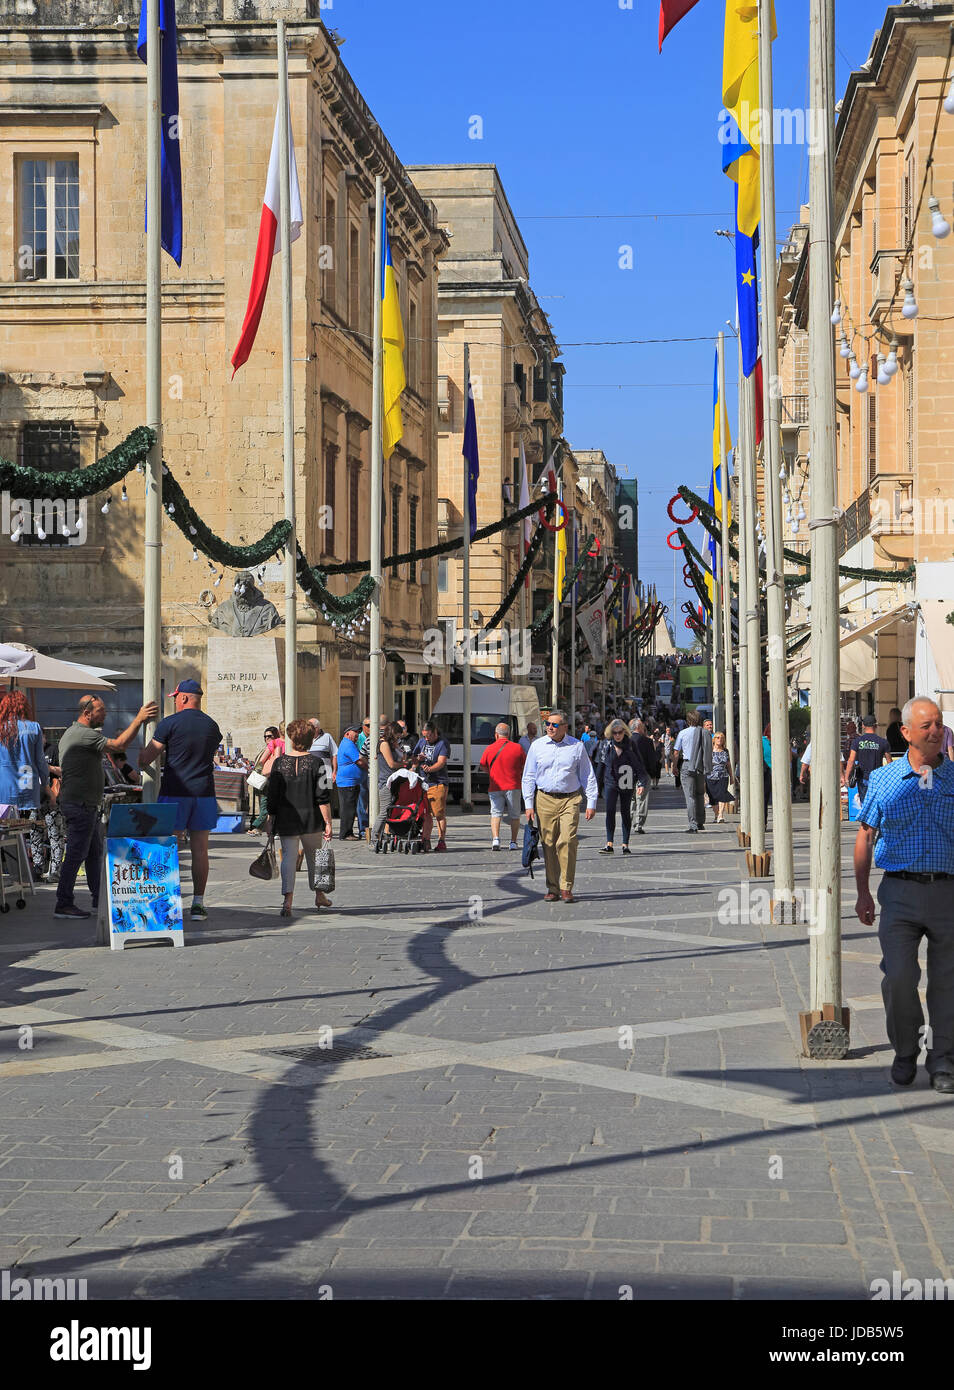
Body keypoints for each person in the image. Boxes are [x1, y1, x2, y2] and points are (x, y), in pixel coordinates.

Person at [854, 698, 954, 1094]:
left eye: (939, 724)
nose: (935, 731)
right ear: (907, 733)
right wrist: (862, 894)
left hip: (948, 891)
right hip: (898, 892)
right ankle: (905, 1051)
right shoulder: (885, 780)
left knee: (947, 981)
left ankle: (944, 1058)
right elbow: (865, 836)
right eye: (926, 725)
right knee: (898, 977)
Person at [55, 693, 157, 920]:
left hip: (86, 804)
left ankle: (98, 899)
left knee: (93, 853)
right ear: (87, 713)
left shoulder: (77, 733)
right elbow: (119, 745)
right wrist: (139, 719)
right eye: (101, 711)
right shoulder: (83, 734)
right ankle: (63, 902)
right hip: (80, 805)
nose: (106, 714)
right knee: (76, 854)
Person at [138, 680, 220, 921]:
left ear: (184, 698)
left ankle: (165, 901)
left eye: (175, 697)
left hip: (175, 792)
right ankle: (198, 903)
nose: (174, 700)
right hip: (204, 793)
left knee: (166, 848)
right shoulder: (212, 726)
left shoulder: (169, 723)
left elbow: (147, 756)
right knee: (201, 851)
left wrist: (141, 758)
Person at [521, 710, 598, 903]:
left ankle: (566, 886)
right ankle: (552, 888)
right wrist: (528, 804)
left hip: (570, 799)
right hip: (544, 799)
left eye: (554, 725)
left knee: (568, 840)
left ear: (564, 727)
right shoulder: (537, 746)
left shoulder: (576, 746)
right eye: (547, 723)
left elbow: (587, 775)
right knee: (548, 844)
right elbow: (528, 776)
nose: (549, 727)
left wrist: (592, 802)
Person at [264, 717, 333, 918]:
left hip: (286, 818)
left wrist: (270, 820)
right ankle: (319, 895)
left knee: (288, 858)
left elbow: (273, 796)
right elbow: (323, 796)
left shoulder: (279, 762)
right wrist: (328, 822)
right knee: (316, 858)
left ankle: (287, 901)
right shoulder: (316, 762)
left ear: (292, 739)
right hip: (311, 818)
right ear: (311, 739)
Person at [599, 719, 647, 855]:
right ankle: (609, 844)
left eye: (620, 732)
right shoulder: (606, 745)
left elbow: (639, 764)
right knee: (610, 811)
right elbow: (601, 766)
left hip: (626, 781)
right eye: (615, 733)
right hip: (610, 782)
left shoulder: (631, 744)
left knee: (626, 812)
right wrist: (596, 787)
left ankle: (625, 844)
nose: (617, 735)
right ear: (611, 733)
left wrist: (642, 782)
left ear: (625, 732)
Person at [479, 722, 526, 850]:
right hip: (513, 785)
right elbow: (524, 764)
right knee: (515, 815)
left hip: (495, 786)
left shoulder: (489, 748)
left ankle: (496, 840)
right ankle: (513, 842)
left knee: (495, 813)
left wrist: (491, 772)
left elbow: (482, 765)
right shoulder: (517, 748)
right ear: (509, 734)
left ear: (496, 735)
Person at [411, 720, 451, 851]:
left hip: (438, 782)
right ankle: (426, 839)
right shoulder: (422, 741)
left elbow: (441, 762)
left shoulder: (442, 743)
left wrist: (430, 769)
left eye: (429, 736)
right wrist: (418, 759)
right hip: (424, 783)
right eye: (424, 736)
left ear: (435, 732)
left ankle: (441, 840)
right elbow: (414, 758)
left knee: (439, 813)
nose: (426, 739)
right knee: (426, 813)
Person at [674, 711, 712, 834]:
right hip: (701, 765)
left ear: (687, 720)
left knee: (690, 796)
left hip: (687, 765)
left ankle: (693, 824)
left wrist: (674, 766)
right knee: (700, 794)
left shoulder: (683, 733)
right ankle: (701, 822)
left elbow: (676, 752)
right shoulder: (704, 732)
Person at [371, 721, 407, 845]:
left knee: (393, 810)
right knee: (385, 811)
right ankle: (374, 838)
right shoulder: (384, 743)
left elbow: (401, 758)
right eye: (397, 735)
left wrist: (401, 752)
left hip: (396, 781)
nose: (399, 738)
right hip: (386, 782)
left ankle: (388, 835)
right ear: (392, 733)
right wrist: (404, 765)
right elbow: (391, 764)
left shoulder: (393, 744)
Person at [845, 714, 891, 807]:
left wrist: (846, 777)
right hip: (878, 779)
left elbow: (851, 760)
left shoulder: (857, 741)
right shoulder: (883, 742)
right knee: (876, 805)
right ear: (876, 726)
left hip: (862, 778)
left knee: (865, 806)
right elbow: (889, 762)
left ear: (863, 726)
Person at [307, 718, 337, 840]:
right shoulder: (305, 738)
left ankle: (326, 826)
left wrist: (335, 771)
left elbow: (334, 753)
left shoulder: (327, 737)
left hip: (325, 774)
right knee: (311, 800)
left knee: (325, 800)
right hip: (310, 775)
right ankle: (315, 826)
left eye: (310, 727)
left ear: (317, 728)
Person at [335, 724, 367, 839]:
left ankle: (347, 832)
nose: (357, 735)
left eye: (358, 733)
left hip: (349, 782)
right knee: (348, 809)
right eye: (355, 733)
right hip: (348, 783)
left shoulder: (348, 744)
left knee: (349, 808)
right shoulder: (348, 744)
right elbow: (359, 761)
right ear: (347, 733)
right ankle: (346, 833)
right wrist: (370, 768)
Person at [629, 718, 658, 836]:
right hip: (643, 773)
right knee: (642, 799)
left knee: (630, 799)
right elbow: (652, 760)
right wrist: (653, 774)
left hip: (628, 774)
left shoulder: (626, 741)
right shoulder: (646, 741)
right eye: (642, 727)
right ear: (638, 728)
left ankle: (628, 820)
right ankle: (638, 824)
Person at [707, 732, 735, 823]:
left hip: (723, 776)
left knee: (722, 795)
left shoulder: (725, 751)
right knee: (713, 797)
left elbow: (728, 764)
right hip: (710, 776)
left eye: (722, 738)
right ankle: (716, 814)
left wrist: (732, 776)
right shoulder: (709, 750)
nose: (720, 739)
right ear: (714, 739)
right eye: (718, 738)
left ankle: (720, 815)